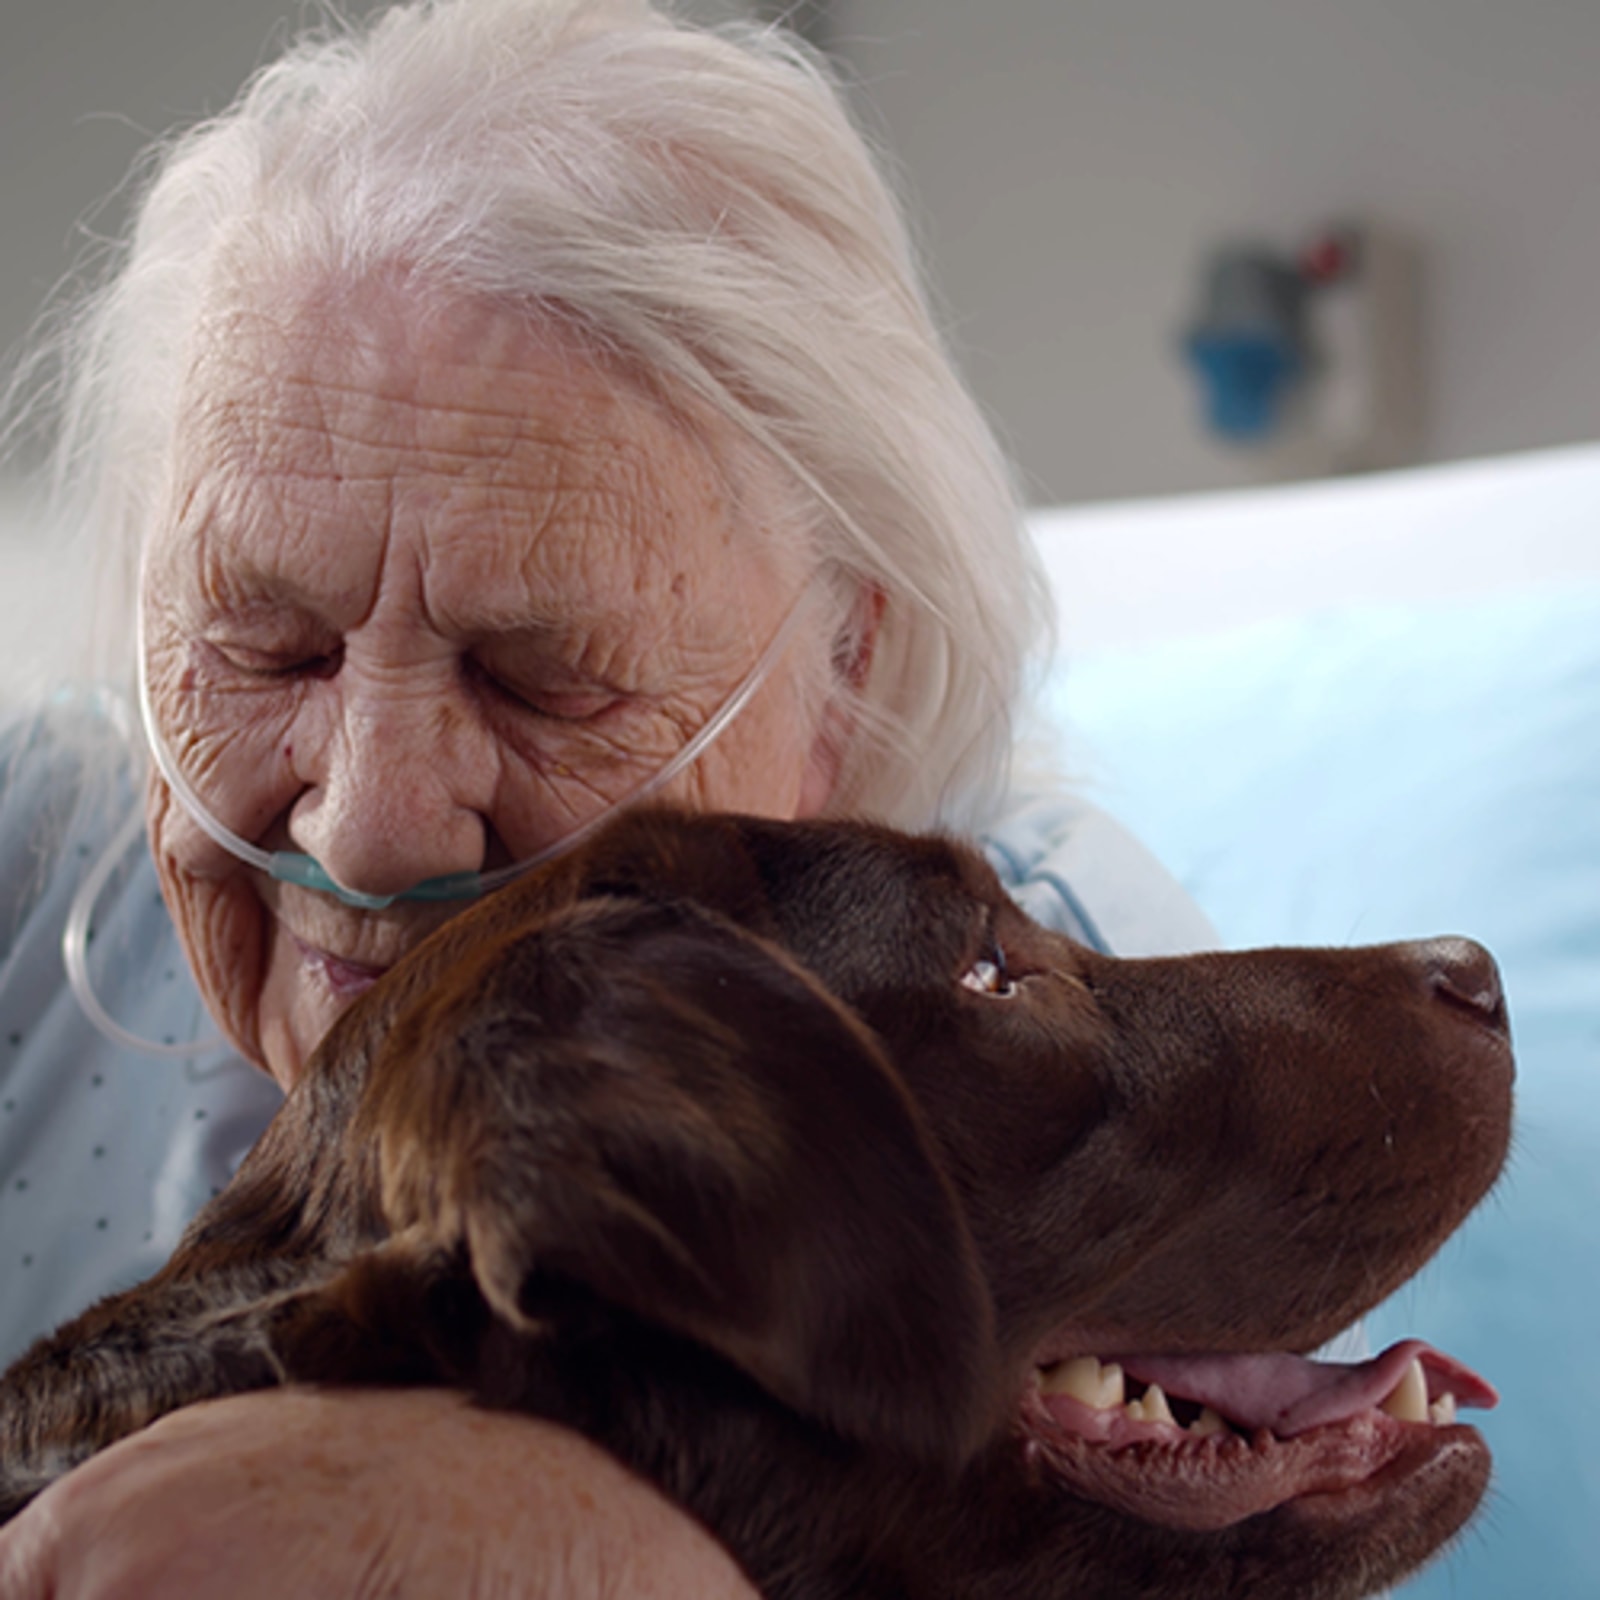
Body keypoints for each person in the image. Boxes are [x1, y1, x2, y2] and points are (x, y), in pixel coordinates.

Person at [0, 1, 1217, 1593]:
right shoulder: (38, 849)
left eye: (534, 677)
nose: (364, 822)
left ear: (843, 673)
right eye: (270, 644)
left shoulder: (1049, 1038)